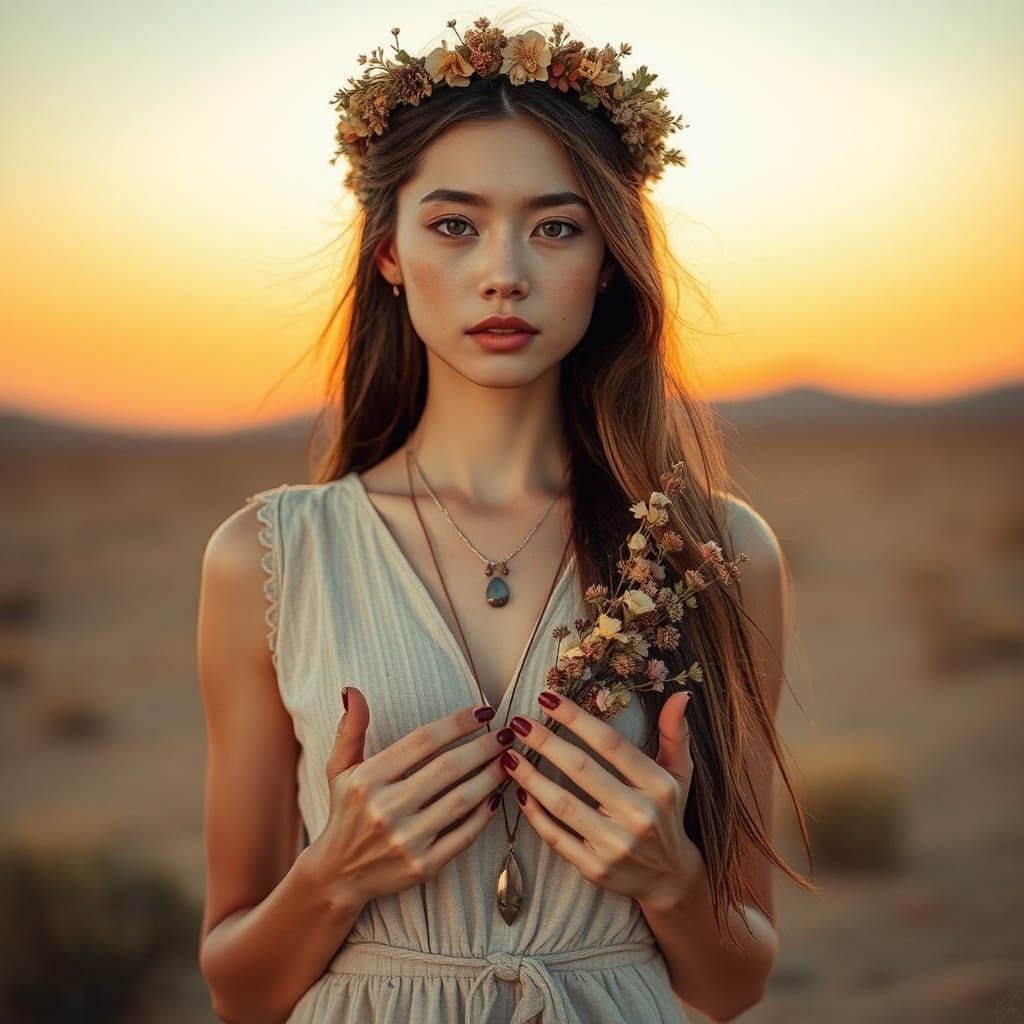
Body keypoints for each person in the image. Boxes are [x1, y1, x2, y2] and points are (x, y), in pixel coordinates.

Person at [196, 14, 814, 1024]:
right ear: (389, 253)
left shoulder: (715, 552)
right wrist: (333, 875)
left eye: (556, 227)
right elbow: (239, 990)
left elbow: (733, 982)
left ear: (607, 258)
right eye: (454, 225)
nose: (504, 273)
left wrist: (666, 877)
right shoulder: (267, 558)